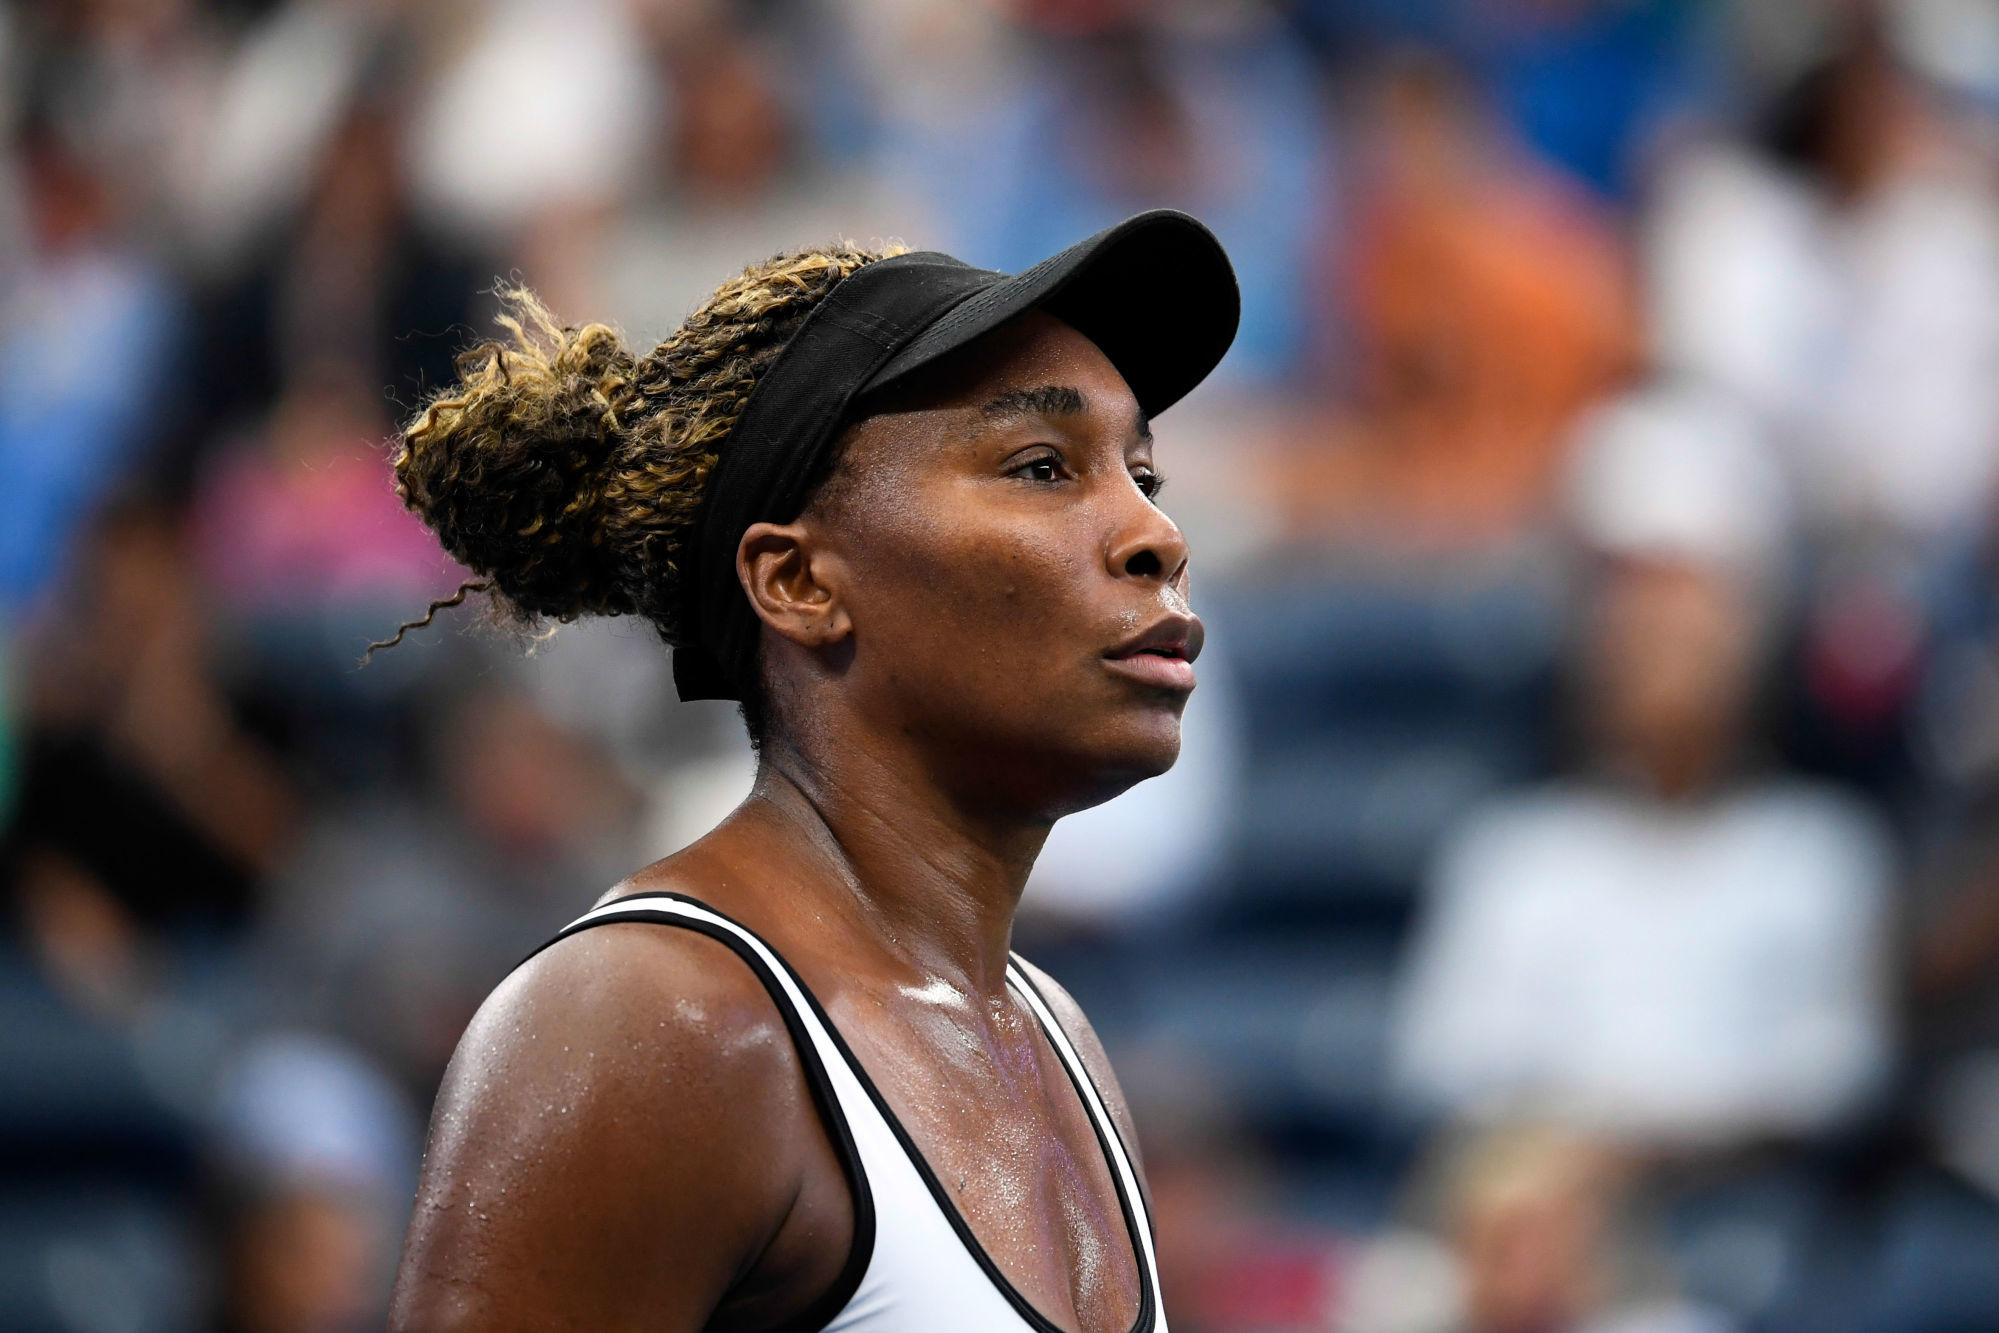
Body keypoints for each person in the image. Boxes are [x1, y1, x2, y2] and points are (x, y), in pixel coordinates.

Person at [385, 211, 1239, 1331]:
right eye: (1042, 466)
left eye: (1142, 471)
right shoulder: (652, 1023)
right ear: (798, 582)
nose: (1156, 535)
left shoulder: (1057, 1036)